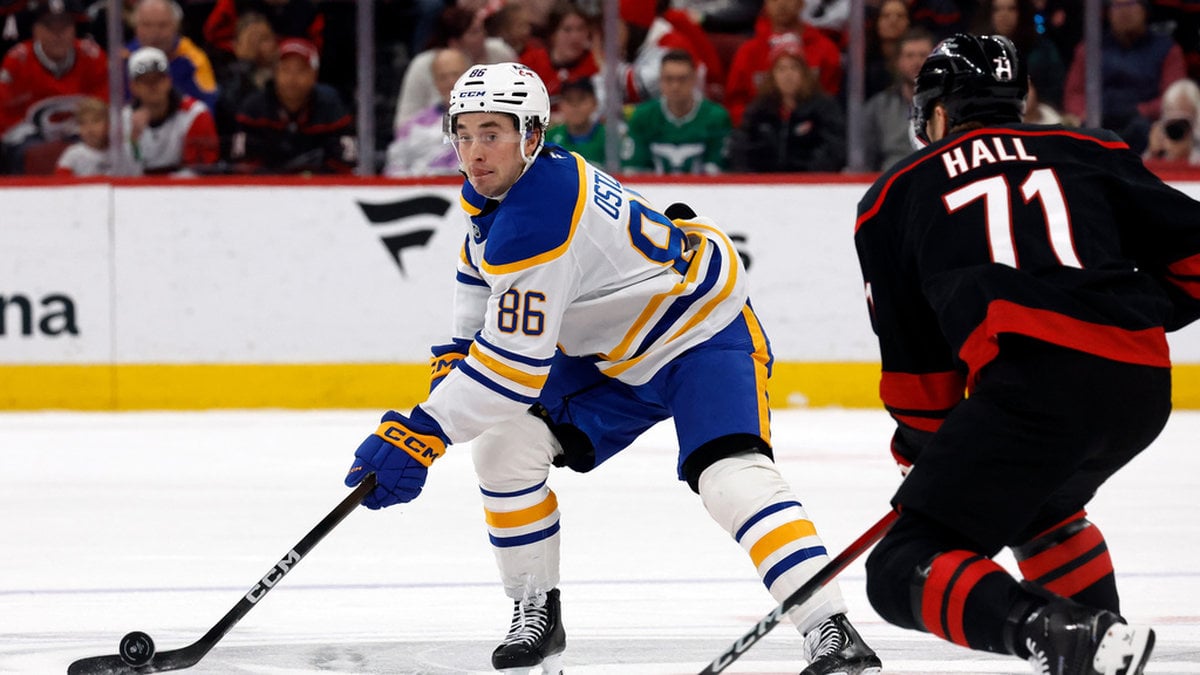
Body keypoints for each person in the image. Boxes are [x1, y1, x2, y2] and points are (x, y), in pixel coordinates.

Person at [343, 61, 882, 675]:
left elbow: (514, 368)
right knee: (503, 446)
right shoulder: (510, 190)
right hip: (609, 352)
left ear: (531, 135)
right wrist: (456, 359)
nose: (474, 152)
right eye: (463, 134)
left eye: (492, 133)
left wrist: (422, 430)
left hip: (697, 333)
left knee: (730, 477)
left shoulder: (539, 215)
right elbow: (477, 270)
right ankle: (535, 608)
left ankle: (830, 627)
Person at [855, 33, 1200, 675]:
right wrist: (1134, 311)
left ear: (938, 113)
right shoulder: (1091, 148)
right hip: (1139, 388)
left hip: (1032, 392)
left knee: (900, 568)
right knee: (1043, 509)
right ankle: (1099, 651)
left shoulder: (894, 194)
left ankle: (1056, 633)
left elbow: (919, 375)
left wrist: (925, 456)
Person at [1061, 0, 1185, 154]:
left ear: (1145, 9)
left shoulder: (1167, 49)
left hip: (1146, 125)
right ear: (1108, 12)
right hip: (1098, 121)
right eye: (1117, 6)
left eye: (1130, 4)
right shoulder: (1090, 48)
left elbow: (1174, 97)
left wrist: (1142, 111)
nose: (1124, 12)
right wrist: (1085, 114)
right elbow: (1074, 93)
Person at [0, 0, 108, 173]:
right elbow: (5, 120)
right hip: (32, 141)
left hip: (83, 135)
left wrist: (84, 132)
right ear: (35, 30)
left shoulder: (94, 58)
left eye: (64, 27)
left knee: (91, 152)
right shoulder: (17, 62)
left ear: (74, 29)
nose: (58, 35)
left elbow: (104, 110)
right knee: (31, 154)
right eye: (50, 27)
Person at [231, 37, 354, 174]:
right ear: (275, 73)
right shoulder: (254, 108)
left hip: (318, 185)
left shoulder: (331, 106)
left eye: (301, 70)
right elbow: (243, 165)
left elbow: (345, 163)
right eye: (285, 69)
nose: (292, 78)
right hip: (266, 185)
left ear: (314, 74)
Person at [730, 41, 845, 172]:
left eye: (794, 68)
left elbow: (834, 149)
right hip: (764, 181)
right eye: (781, 69)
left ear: (804, 73)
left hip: (810, 180)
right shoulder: (758, 110)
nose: (788, 75)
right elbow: (740, 149)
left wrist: (809, 177)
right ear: (772, 76)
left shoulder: (824, 108)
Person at [393, 6, 516, 128]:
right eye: (474, 32)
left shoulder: (500, 53)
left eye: (482, 30)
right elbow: (403, 125)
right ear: (454, 42)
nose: (483, 36)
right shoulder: (422, 65)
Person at [723, 0, 843, 126]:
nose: (781, 4)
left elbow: (832, 101)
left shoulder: (825, 50)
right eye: (774, 0)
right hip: (761, 132)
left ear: (801, 3)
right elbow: (735, 104)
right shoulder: (748, 53)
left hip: (812, 132)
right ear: (765, 4)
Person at [623, 50, 731, 174]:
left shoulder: (716, 117)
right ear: (660, 80)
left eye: (682, 79)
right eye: (669, 79)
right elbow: (634, 168)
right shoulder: (642, 116)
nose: (675, 86)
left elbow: (717, 168)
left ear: (694, 79)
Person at [122, 45, 219, 175]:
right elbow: (122, 173)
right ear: (133, 87)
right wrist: (133, 140)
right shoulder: (124, 119)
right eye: (145, 81)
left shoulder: (194, 114)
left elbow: (201, 169)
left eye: (158, 79)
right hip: (139, 185)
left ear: (168, 81)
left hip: (183, 185)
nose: (152, 86)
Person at [383, 47, 468, 177]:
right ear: (435, 82)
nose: (450, 82)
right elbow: (394, 169)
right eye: (443, 77)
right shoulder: (412, 127)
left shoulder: (489, 120)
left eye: (455, 74)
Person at [861, 27, 936, 171]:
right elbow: (866, 161)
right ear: (898, 61)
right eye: (909, 56)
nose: (917, 62)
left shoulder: (950, 106)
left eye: (923, 55)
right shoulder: (878, 107)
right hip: (891, 178)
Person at [127, 0, 218, 109]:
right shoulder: (123, 57)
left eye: (162, 25)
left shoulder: (193, 59)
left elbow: (208, 104)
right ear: (135, 27)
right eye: (146, 25)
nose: (154, 32)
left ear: (176, 26)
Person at [55, 95, 136, 175]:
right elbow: (61, 181)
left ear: (109, 124)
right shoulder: (73, 154)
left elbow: (132, 178)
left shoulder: (122, 152)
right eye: (82, 123)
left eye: (96, 121)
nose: (89, 129)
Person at [544, 76, 606, 165]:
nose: (575, 106)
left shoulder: (610, 138)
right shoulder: (548, 140)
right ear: (560, 105)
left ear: (595, 103)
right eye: (569, 100)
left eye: (581, 99)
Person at [1143, 77, 1200, 167]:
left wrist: (1187, 154)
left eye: (1185, 121)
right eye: (1173, 119)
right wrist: (1152, 153)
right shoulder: (1160, 137)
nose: (1178, 128)